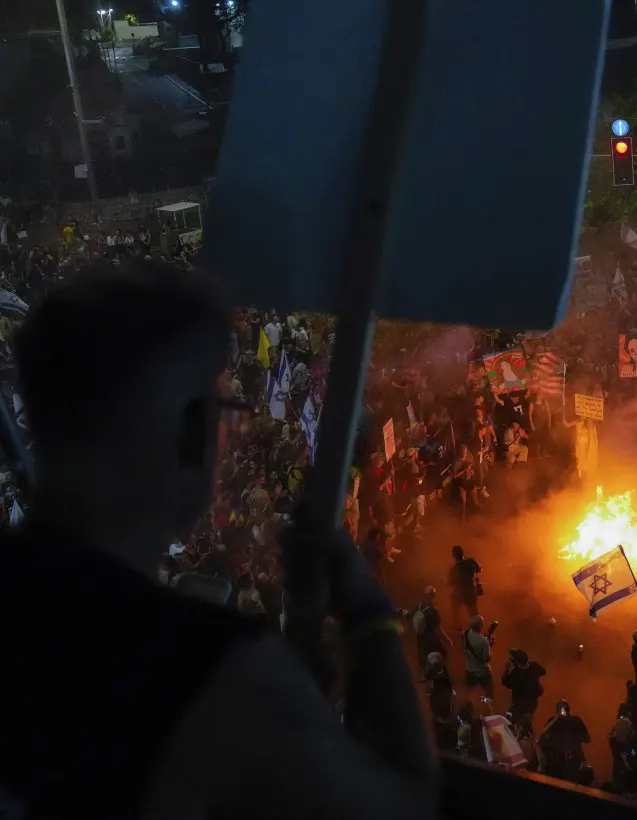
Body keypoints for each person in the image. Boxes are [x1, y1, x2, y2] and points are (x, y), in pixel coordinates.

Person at [0, 262, 433, 818]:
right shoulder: (209, 671)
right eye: (225, 410)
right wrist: (367, 609)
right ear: (189, 433)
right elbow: (410, 806)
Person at [448, 544, 482, 624]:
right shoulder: (471, 562)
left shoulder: (454, 569)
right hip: (471, 591)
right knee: (474, 615)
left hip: (460, 593)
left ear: (453, 555)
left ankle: (456, 625)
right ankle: (477, 630)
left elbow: (451, 583)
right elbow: (479, 569)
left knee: (454, 606)